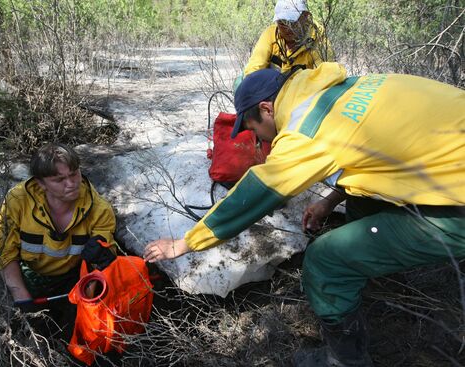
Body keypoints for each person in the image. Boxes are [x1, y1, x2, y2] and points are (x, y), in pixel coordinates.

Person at [144, 63, 465, 366]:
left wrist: (185, 244)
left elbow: (255, 192)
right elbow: (369, 152)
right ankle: (370, 281)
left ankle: (344, 359)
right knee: (361, 204)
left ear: (267, 109)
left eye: (254, 128)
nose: (257, 139)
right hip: (450, 166)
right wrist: (328, 201)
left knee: (325, 260)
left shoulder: (304, 130)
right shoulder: (344, 88)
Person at [0, 143, 117, 312]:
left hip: (73, 277)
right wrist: (21, 296)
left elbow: (103, 259)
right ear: (41, 183)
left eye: (74, 174)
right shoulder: (18, 201)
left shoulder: (99, 210)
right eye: (59, 180)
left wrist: (88, 293)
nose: (71, 184)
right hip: (29, 273)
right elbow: (3, 250)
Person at [233, 0, 333, 92]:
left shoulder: (319, 43)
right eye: (282, 23)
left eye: (292, 23)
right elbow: (254, 69)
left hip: (301, 94)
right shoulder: (270, 34)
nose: (288, 28)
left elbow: (325, 80)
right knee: (241, 84)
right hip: (271, 91)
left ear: (306, 16)